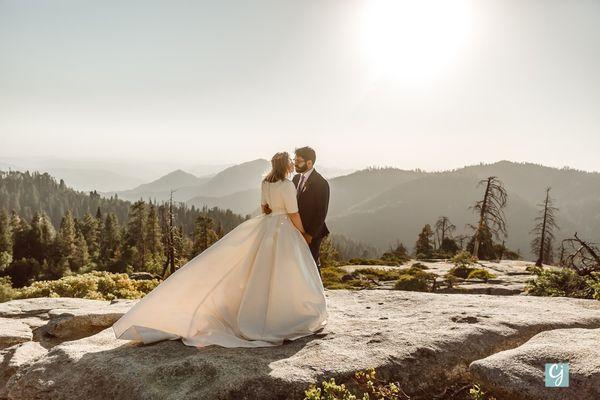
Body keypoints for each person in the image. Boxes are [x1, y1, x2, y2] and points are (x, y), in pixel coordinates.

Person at [112, 151, 328, 348]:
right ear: (285, 166)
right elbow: (293, 213)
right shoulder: (287, 185)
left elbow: (264, 207)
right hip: (284, 229)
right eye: (291, 162)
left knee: (259, 271)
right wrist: (301, 233)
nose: (293, 165)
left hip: (267, 227)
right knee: (287, 272)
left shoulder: (266, 183)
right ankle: (283, 313)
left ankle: (258, 312)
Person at [263, 147, 330, 273]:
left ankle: (317, 292)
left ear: (309, 163)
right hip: (294, 230)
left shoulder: (321, 183)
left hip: (312, 232)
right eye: (294, 160)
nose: (295, 163)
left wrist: (309, 235)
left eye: (298, 161)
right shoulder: (295, 179)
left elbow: (321, 213)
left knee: (311, 264)